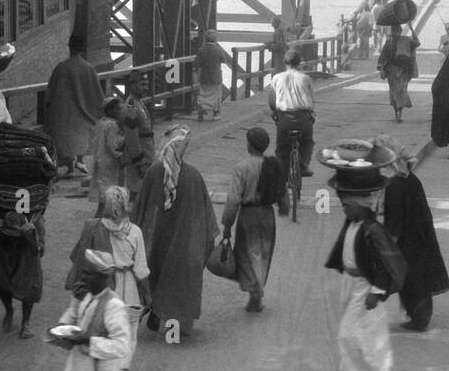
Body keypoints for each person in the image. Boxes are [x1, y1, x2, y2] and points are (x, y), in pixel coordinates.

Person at [324, 164, 406, 371]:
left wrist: (376, 290)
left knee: (350, 333)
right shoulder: (353, 224)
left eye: (348, 205)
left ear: (361, 205)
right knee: (361, 331)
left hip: (365, 287)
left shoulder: (373, 230)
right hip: (351, 283)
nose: (345, 210)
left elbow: (385, 263)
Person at [133, 125, 219, 337]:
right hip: (183, 240)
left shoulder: (154, 171)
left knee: (155, 269)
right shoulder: (193, 176)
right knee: (180, 277)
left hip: (156, 237)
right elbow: (206, 216)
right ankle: (176, 323)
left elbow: (140, 207)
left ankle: (155, 307)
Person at [67, 186, 150, 371]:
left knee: (101, 329)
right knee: (128, 334)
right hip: (128, 288)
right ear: (125, 205)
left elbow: (79, 258)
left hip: (101, 286)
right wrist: (147, 295)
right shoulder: (135, 232)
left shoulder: (94, 228)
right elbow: (141, 269)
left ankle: (100, 369)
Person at [375, 136, 449, 332]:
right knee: (415, 277)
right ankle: (419, 315)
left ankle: (419, 317)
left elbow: (394, 221)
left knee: (410, 278)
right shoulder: (409, 178)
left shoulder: (394, 186)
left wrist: (387, 245)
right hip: (419, 233)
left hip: (407, 238)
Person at [55, 250, 133, 371]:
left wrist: (88, 340)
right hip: (78, 369)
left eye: (87, 274)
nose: (82, 277)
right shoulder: (84, 295)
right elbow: (73, 314)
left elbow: (122, 345)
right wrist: (62, 326)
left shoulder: (114, 306)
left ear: (102, 278)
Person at [221, 127, 285, 313]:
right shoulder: (273, 165)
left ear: (249, 145)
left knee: (246, 253)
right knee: (264, 252)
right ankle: (258, 288)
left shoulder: (241, 168)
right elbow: (281, 190)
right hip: (267, 214)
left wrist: (227, 224)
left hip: (248, 215)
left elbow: (233, 200)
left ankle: (254, 290)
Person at [47, 33, 105, 178]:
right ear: (83, 48)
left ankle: (70, 163)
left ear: (69, 47)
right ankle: (80, 160)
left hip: (64, 115)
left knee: (66, 138)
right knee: (81, 133)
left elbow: (50, 93)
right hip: (84, 115)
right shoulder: (89, 68)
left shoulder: (61, 68)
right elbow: (97, 95)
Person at [0, 209, 43, 339]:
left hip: (26, 259)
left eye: (14, 235)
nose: (11, 237)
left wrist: (29, 236)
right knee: (4, 286)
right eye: (8, 234)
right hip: (4, 259)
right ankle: (9, 310)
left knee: (29, 288)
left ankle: (25, 323)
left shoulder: (36, 220)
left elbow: (40, 250)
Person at [266, 48, 316, 178]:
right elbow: (311, 100)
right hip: (303, 118)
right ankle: (304, 164)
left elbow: (272, 100)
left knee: (282, 149)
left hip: (285, 118)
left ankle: (281, 175)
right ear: (299, 63)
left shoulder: (277, 78)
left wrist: (274, 113)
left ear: (285, 62)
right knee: (307, 142)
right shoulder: (306, 78)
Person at [118, 75, 155, 204]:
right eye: (142, 85)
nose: (146, 88)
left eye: (147, 85)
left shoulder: (139, 103)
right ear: (132, 85)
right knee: (136, 193)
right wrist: (140, 162)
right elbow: (132, 137)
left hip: (146, 154)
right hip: (138, 158)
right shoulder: (132, 107)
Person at [377, 22, 419, 122]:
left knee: (402, 91)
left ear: (400, 31)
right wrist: (381, 66)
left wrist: (412, 29)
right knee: (394, 92)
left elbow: (416, 43)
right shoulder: (389, 42)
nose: (395, 33)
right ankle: (396, 113)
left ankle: (400, 112)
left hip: (404, 70)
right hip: (392, 70)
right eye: (393, 31)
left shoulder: (406, 40)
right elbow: (383, 55)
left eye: (397, 31)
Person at [90, 97, 127, 209]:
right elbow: (114, 146)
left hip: (100, 160)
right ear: (110, 110)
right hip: (110, 164)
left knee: (104, 196)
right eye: (118, 109)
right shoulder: (112, 125)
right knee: (111, 194)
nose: (120, 112)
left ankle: (100, 221)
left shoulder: (101, 123)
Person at [194, 29, 230, 121]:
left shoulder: (201, 50)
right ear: (215, 39)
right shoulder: (218, 50)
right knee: (216, 96)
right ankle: (215, 113)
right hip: (215, 76)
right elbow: (224, 60)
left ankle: (202, 108)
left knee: (203, 94)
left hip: (204, 76)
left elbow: (197, 63)